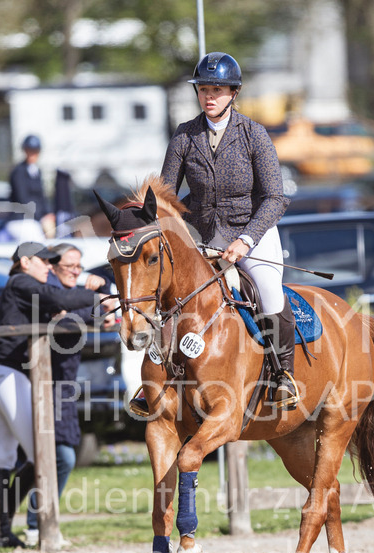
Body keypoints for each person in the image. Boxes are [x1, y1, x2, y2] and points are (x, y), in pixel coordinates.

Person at [155, 50, 294, 411]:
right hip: (200, 235)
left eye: (218, 89)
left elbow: (275, 198)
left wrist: (245, 240)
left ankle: (283, 376)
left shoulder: (254, 134)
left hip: (251, 231)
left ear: (234, 92)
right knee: (165, 296)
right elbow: (166, 196)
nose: (210, 96)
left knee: (268, 293)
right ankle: (155, 380)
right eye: (203, 89)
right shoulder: (185, 136)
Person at [0, 241, 106, 548]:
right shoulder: (22, 281)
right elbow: (57, 298)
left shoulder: (25, 285)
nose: (47, 266)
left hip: (6, 375)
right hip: (10, 376)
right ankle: (42, 528)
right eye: (43, 261)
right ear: (25, 261)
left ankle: (1, 532)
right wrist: (95, 294)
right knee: (43, 455)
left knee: (5, 456)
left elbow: (65, 309)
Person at [23, 243, 111, 547]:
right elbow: (65, 320)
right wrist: (91, 301)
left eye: (79, 265)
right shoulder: (48, 292)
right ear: (53, 265)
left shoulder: (69, 292)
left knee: (43, 457)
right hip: (42, 384)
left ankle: (20, 519)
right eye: (70, 265)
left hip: (64, 384)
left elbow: (104, 310)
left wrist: (103, 296)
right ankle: (38, 522)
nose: (76, 270)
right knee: (62, 456)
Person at [9, 134, 55, 233]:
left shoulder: (37, 171)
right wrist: (40, 216)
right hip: (23, 219)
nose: (32, 154)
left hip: (36, 217)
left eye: (35, 151)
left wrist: (48, 212)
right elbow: (23, 198)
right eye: (29, 151)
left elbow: (42, 197)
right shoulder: (18, 172)